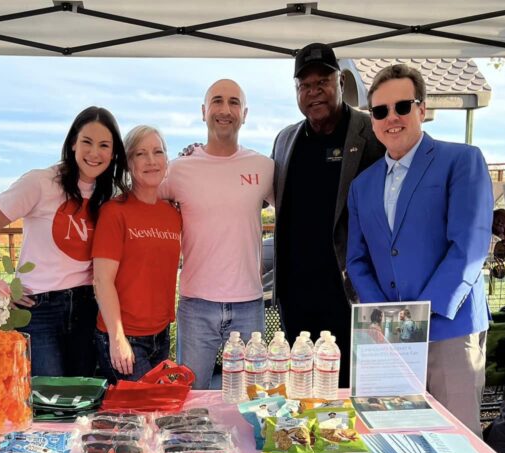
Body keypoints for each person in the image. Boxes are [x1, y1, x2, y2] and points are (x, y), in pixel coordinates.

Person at [347, 63, 493, 433]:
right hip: (388, 336)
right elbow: (357, 259)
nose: (391, 118)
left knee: (458, 442)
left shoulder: (461, 160)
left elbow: (470, 246)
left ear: (422, 109)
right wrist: (384, 316)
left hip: (450, 328)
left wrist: (422, 319)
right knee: (395, 437)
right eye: (380, 111)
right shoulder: (361, 186)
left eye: (402, 106)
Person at [0, 107, 128, 377]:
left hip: (87, 305)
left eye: (104, 145)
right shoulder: (41, 182)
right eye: (87, 142)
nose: (94, 153)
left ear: (113, 154)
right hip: (39, 309)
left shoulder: (109, 194)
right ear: (73, 143)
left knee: (82, 397)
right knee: (46, 398)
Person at [271, 42, 384, 388]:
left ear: (340, 82)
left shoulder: (372, 132)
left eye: (322, 82)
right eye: (305, 85)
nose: (313, 91)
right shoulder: (285, 140)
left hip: (349, 293)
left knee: (350, 390)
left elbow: (414, 176)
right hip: (297, 296)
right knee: (301, 390)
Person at [159, 79, 274, 389]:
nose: (226, 110)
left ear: (245, 113)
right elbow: (139, 202)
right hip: (196, 305)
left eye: (234, 102)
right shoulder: (178, 169)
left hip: (249, 304)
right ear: (204, 111)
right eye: (218, 101)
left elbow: (299, 214)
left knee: (254, 399)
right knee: (191, 398)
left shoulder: (264, 167)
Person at [92, 126, 182, 382]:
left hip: (161, 334)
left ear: (167, 159)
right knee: (142, 416)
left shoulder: (173, 214)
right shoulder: (114, 212)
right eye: (141, 154)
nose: (152, 160)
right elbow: (102, 280)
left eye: (158, 152)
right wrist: (117, 338)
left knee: (154, 415)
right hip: (126, 337)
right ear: (129, 163)